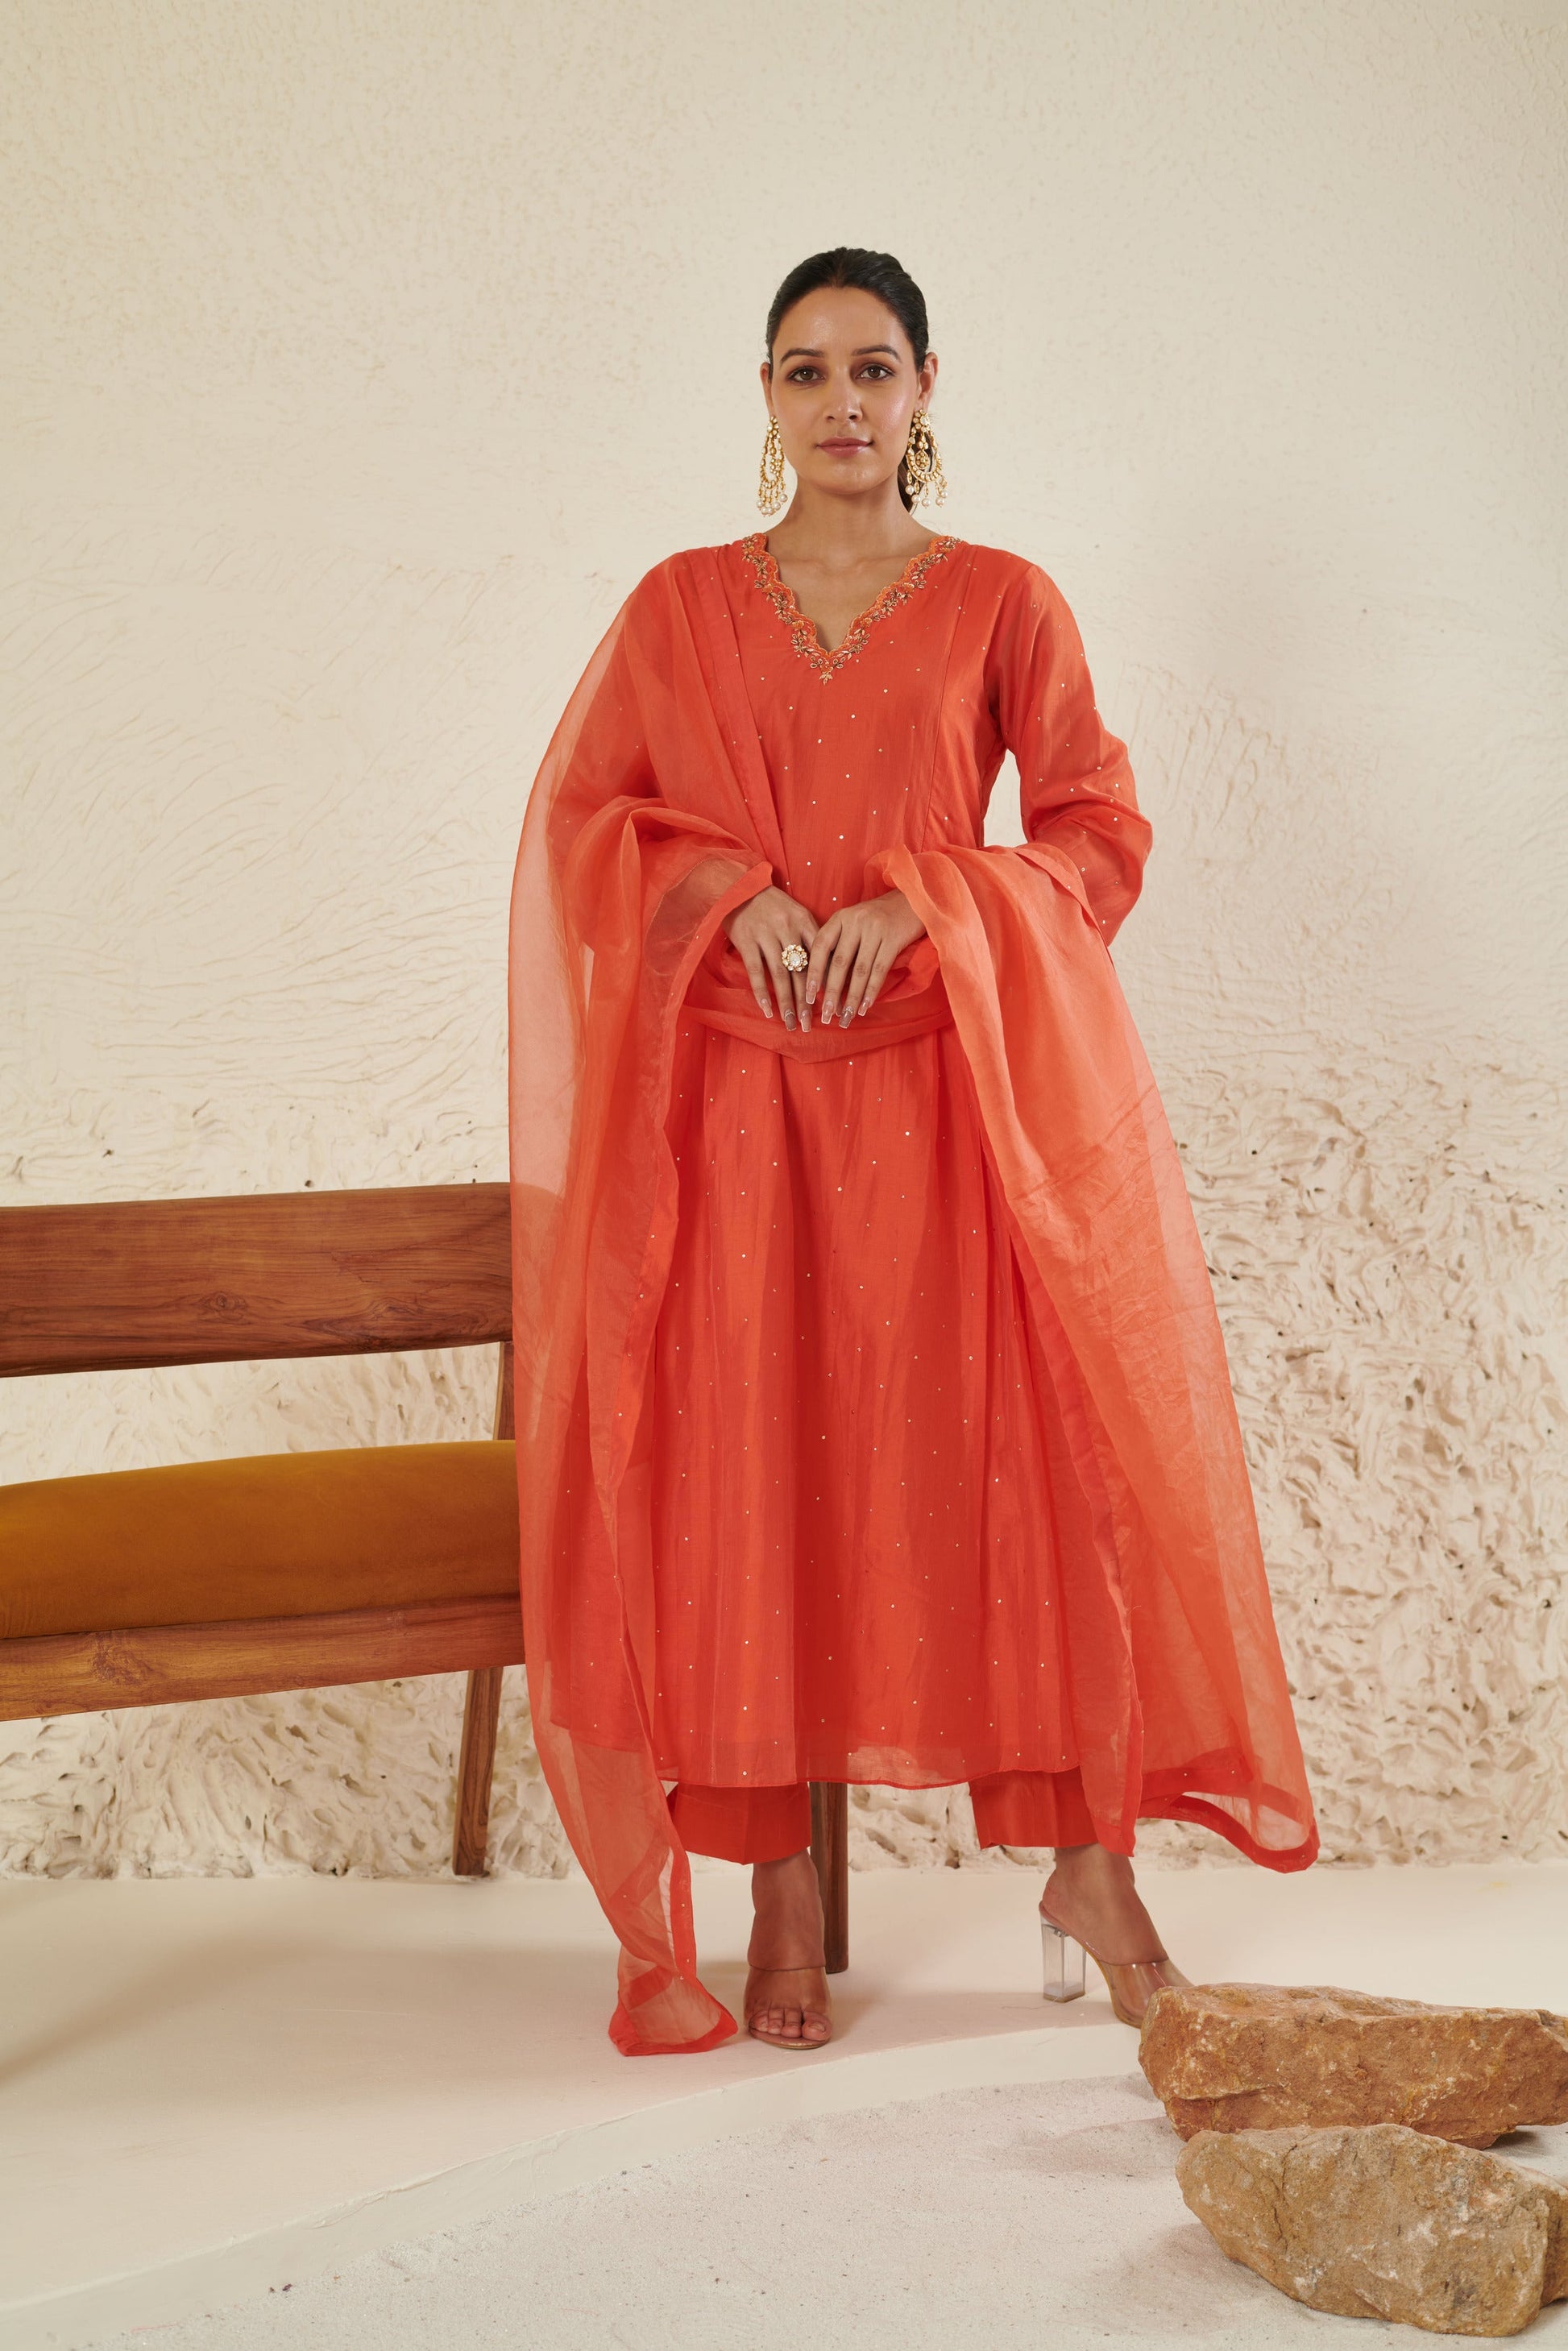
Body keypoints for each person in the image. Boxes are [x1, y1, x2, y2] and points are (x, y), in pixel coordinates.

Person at [507, 247, 1317, 2060]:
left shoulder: (1004, 602)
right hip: (736, 1114)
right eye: (806, 371)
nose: (842, 401)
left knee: (1005, 1476)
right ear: (765, 395)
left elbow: (1097, 830)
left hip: (948, 1111)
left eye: (873, 367)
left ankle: (1086, 1866)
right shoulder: (677, 607)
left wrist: (928, 902)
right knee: (758, 1479)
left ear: (925, 387)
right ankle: (781, 1889)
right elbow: (586, 823)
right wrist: (722, 894)